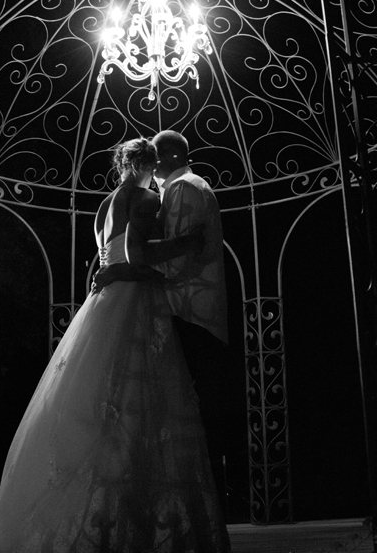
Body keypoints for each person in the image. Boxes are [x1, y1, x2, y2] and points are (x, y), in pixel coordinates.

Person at [0, 137, 231, 553]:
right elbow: (135, 255)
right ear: (150, 163)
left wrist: (112, 275)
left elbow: (108, 258)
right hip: (134, 301)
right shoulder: (147, 197)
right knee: (140, 401)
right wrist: (185, 247)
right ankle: (135, 521)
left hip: (102, 304)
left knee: (99, 401)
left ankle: (109, 519)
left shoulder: (105, 203)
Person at [152, 130, 229, 514]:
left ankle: (203, 507)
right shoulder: (190, 186)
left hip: (192, 311)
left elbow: (181, 255)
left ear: (170, 156)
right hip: (195, 311)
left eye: (155, 155)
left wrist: (138, 271)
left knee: (196, 413)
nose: (151, 165)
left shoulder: (183, 187)